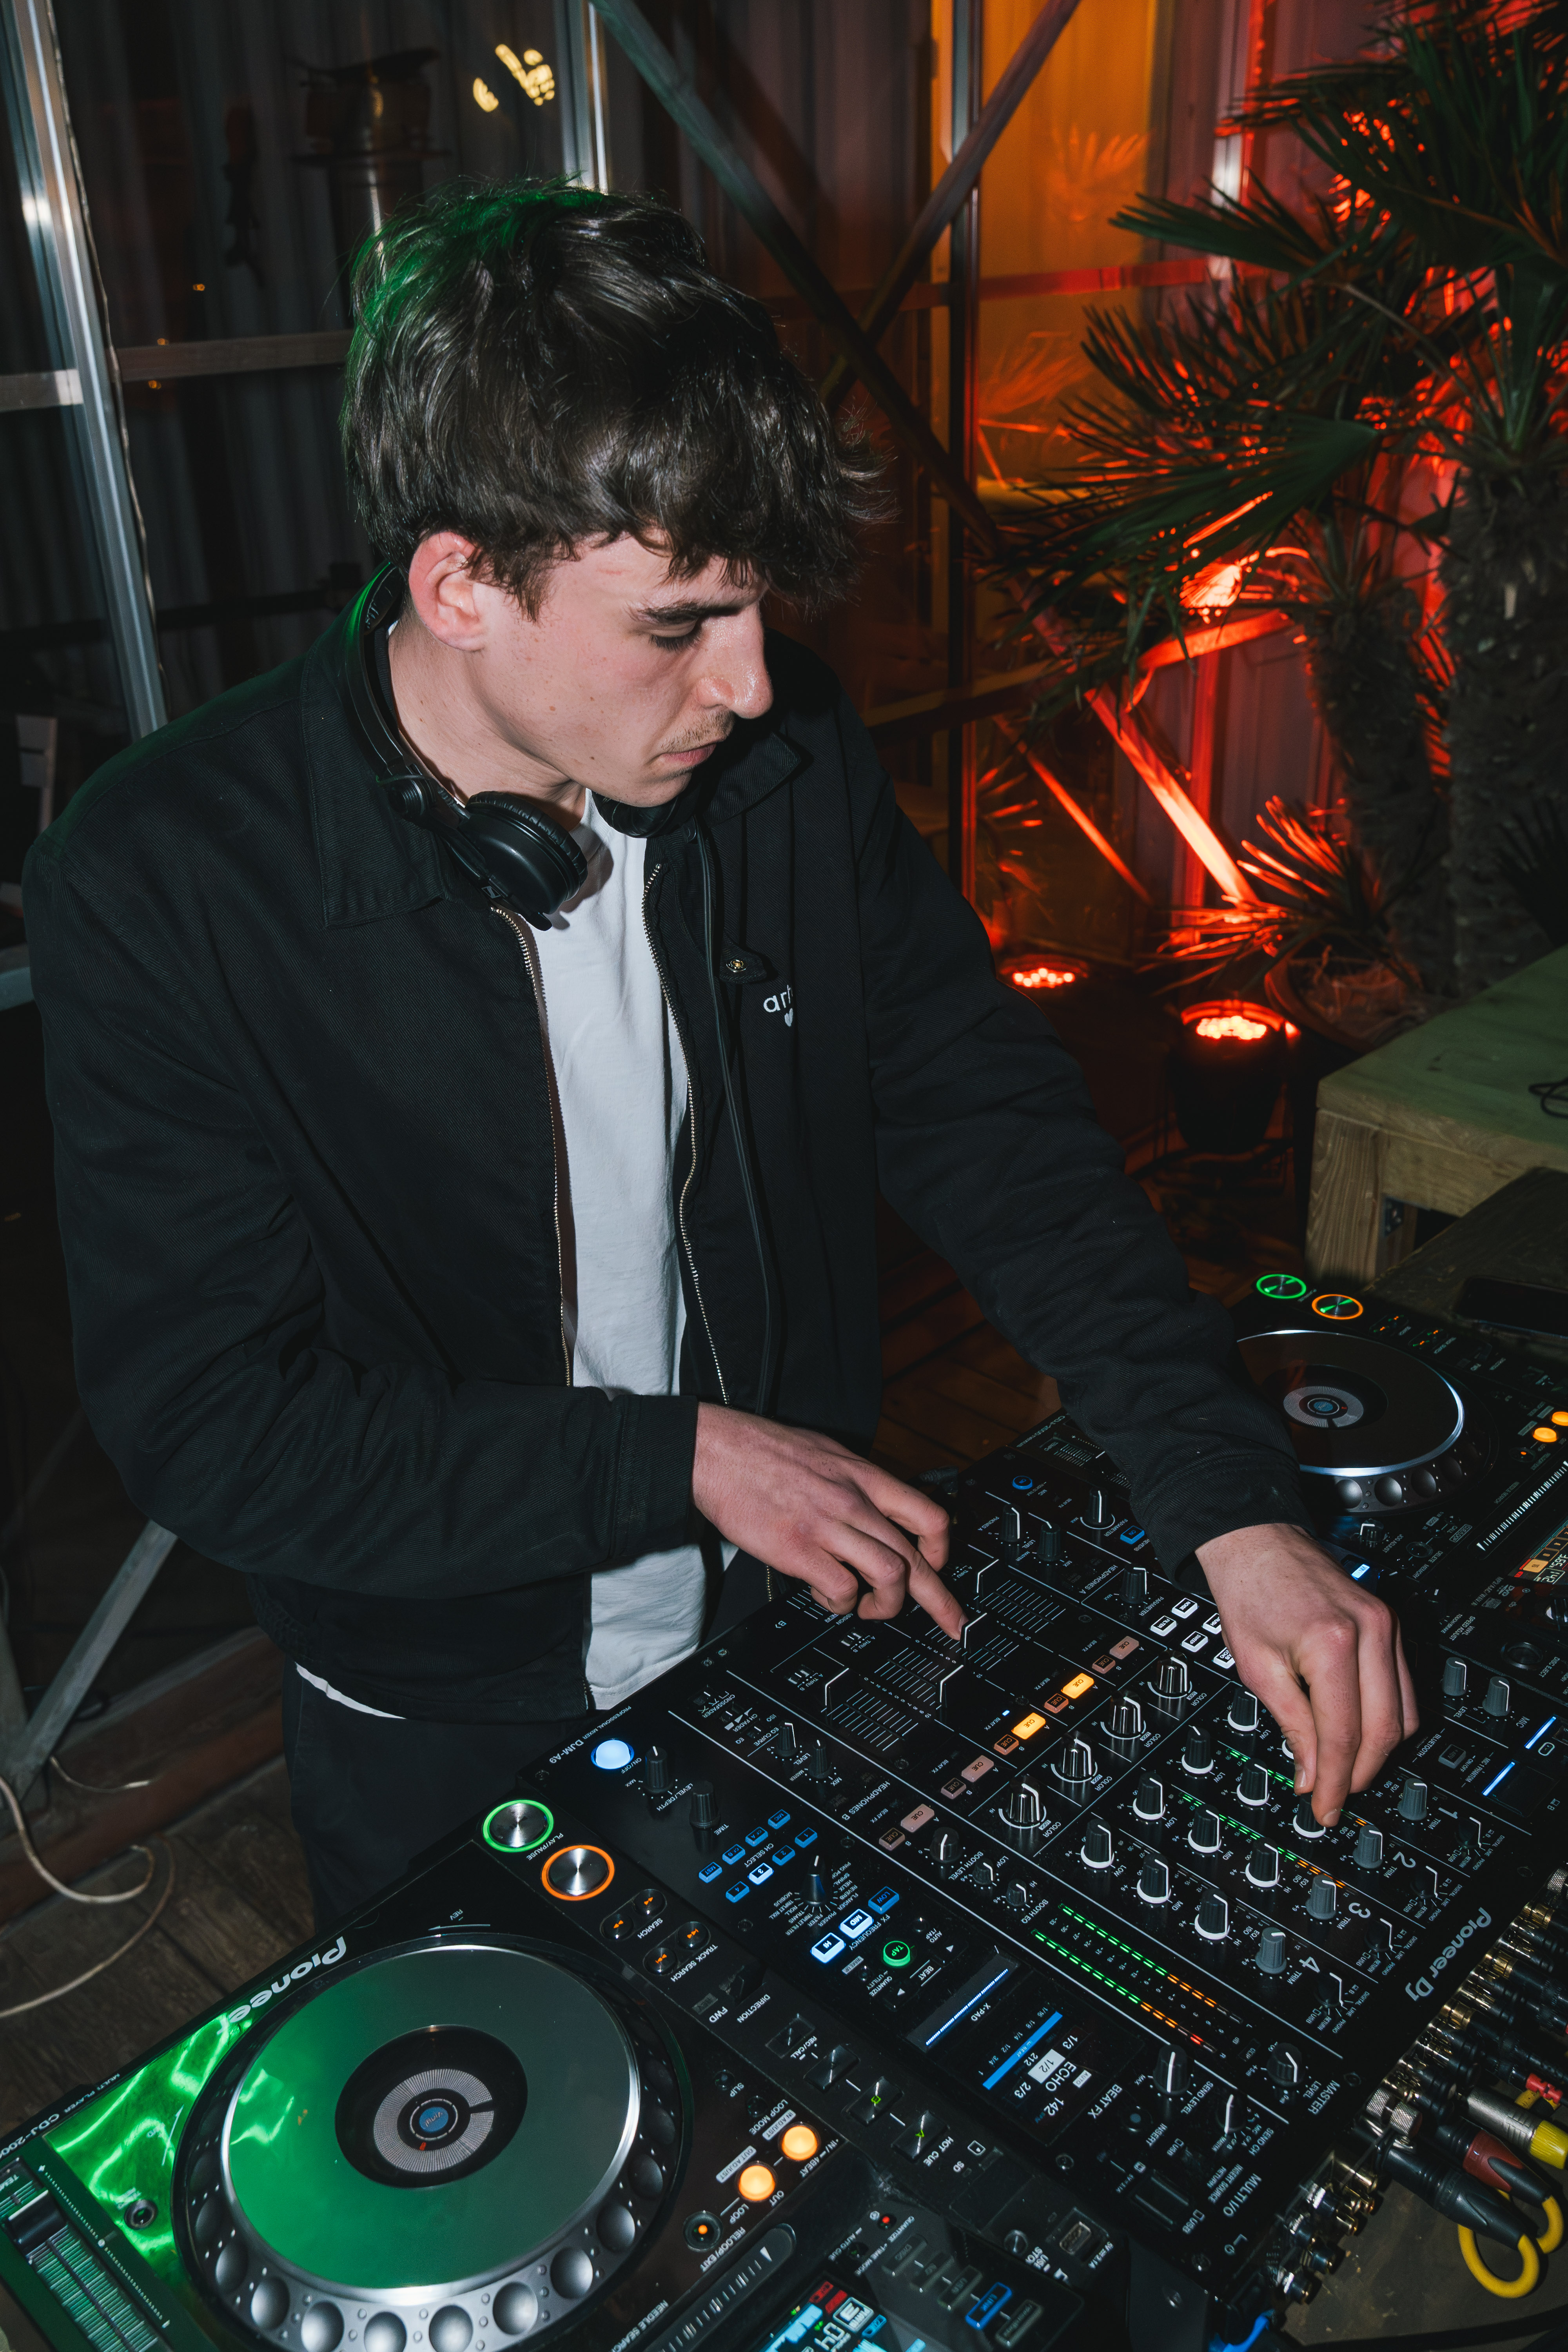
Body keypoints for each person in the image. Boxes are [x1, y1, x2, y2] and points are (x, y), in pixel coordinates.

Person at [25, 181, 1415, 1926]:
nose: (754, 687)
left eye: (758, 612)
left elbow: (990, 1125)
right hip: (438, 1696)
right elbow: (216, 1424)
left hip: (782, 1622)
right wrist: (674, 1455)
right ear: (461, 586)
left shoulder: (782, 763)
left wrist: (1227, 1502)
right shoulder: (166, 877)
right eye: (680, 625)